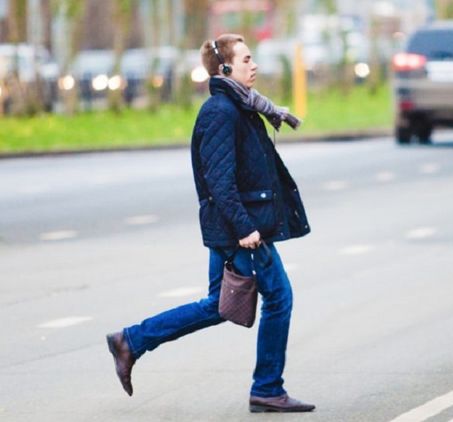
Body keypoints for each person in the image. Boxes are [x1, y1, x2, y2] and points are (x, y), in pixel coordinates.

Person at [106, 33, 314, 413]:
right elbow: (219, 181)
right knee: (276, 298)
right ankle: (267, 387)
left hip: (241, 225)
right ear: (225, 68)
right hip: (240, 229)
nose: (254, 65)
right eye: (247, 59)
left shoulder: (241, 106)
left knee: (221, 305)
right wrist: (244, 228)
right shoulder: (221, 112)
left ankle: (131, 341)